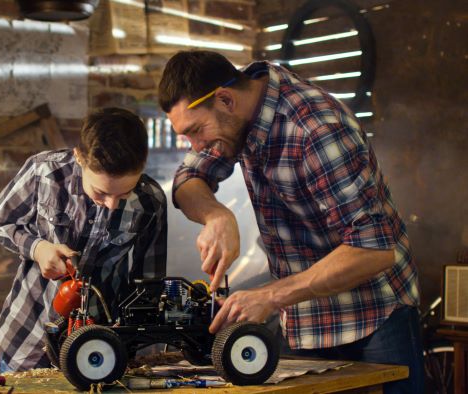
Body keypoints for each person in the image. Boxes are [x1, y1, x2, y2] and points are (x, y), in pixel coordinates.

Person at [158, 50, 421, 393]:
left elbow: (374, 250)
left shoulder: (316, 130)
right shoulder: (232, 116)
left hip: (373, 314)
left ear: (225, 99)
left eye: (195, 131)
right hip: (303, 316)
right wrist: (217, 215)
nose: (197, 145)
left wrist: (270, 295)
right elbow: (188, 179)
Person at [0, 107, 168, 372]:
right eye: (100, 193)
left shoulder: (151, 201)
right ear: (79, 157)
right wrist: (38, 248)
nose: (112, 205)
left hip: (100, 348)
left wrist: (134, 343)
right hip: (28, 336)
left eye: (124, 194)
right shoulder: (44, 171)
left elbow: (147, 284)